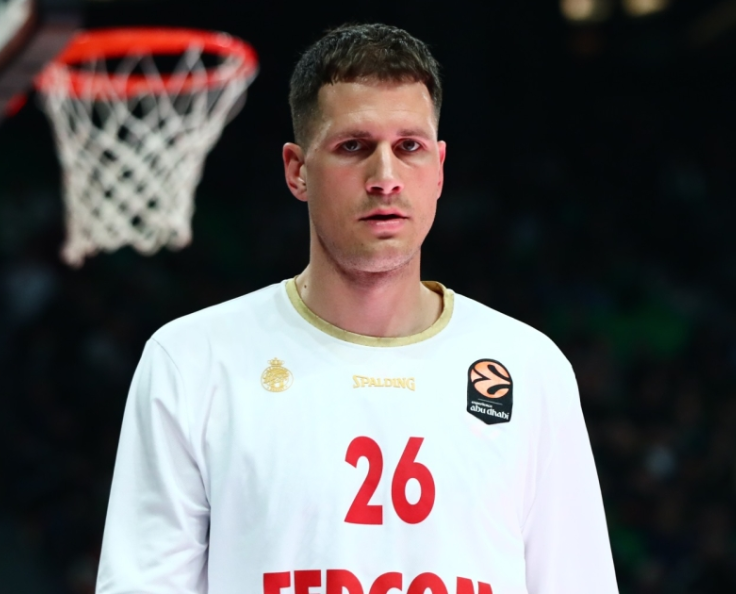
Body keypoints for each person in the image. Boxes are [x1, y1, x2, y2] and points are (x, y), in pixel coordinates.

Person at [97, 23, 618, 594]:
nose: (385, 178)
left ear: (440, 168)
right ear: (297, 170)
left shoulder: (530, 368)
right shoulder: (193, 360)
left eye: (409, 147)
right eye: (354, 147)